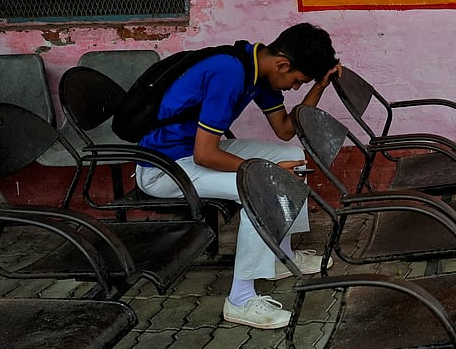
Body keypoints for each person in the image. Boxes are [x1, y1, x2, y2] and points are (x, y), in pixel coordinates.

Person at [135, 23, 340, 329]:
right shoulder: (229, 73)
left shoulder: (256, 65)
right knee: (261, 188)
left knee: (291, 157)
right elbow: (206, 155)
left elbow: (285, 130)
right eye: (297, 81)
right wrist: (263, 172)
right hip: (164, 168)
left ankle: (282, 256)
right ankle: (241, 299)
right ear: (282, 64)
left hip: (192, 152)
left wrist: (318, 87)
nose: (295, 88)